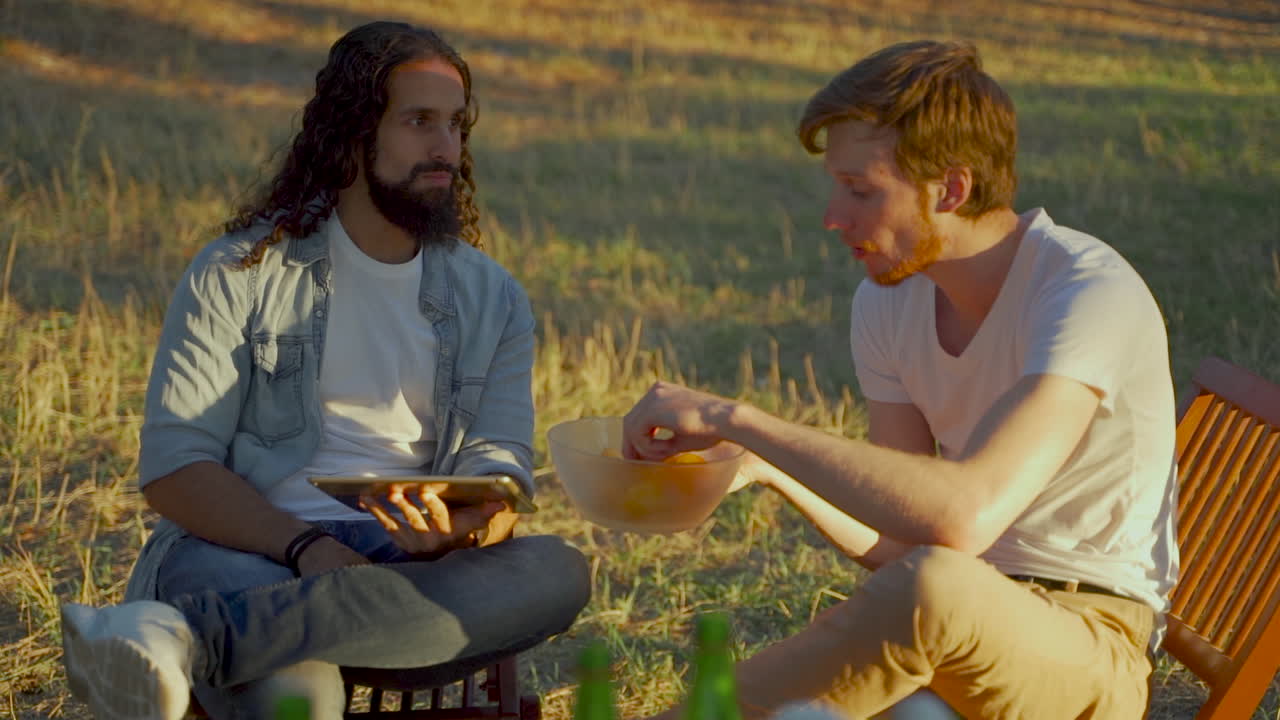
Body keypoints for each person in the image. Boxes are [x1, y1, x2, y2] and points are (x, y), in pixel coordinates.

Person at [622, 40, 1177, 720]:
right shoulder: (889, 299)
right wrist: (764, 465)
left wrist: (739, 417)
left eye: (860, 190)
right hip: (959, 626)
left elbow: (959, 518)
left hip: (1091, 647)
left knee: (936, 587)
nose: (832, 215)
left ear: (951, 188)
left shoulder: (1085, 291)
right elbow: (903, 542)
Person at [59, 21, 591, 720]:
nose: (446, 147)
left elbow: (500, 465)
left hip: (411, 574)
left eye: (456, 124)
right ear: (351, 134)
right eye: (419, 121)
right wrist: (307, 546)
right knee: (299, 697)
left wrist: (461, 529)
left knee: (558, 570)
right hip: (248, 552)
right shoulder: (238, 272)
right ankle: (272, 636)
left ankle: (183, 639)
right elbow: (175, 467)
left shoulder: (494, 298)